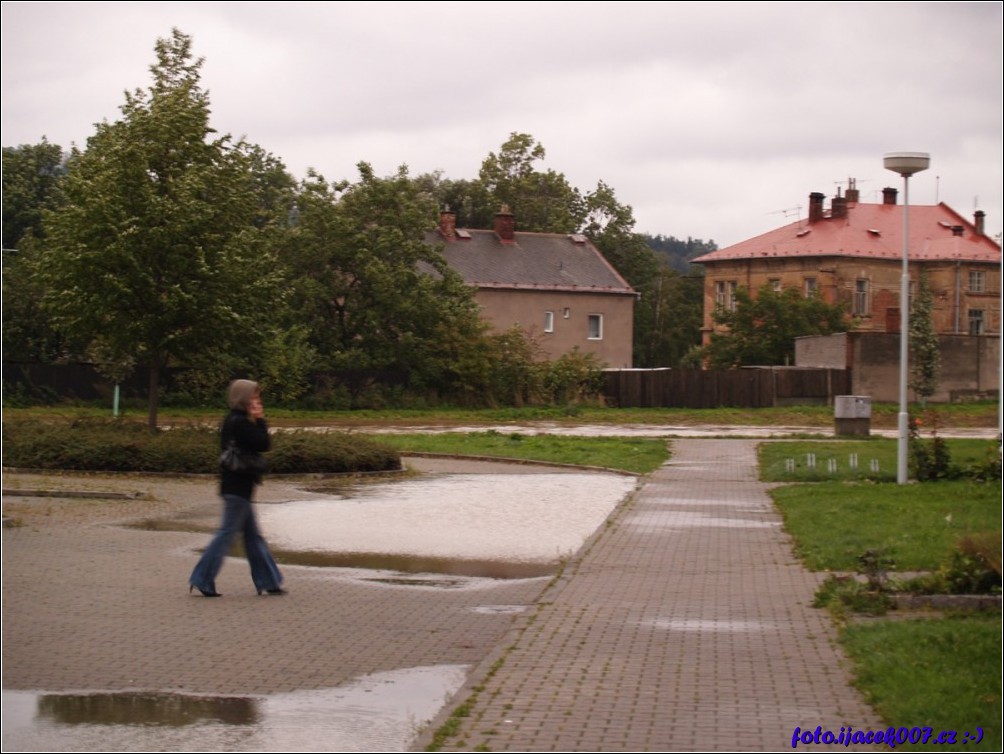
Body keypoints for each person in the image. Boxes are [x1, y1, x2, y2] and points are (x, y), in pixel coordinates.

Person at [189, 379, 285, 597]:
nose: (257, 401)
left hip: (236, 486)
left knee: (253, 537)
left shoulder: (231, 419)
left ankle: (269, 581)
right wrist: (260, 420)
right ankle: (202, 578)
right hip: (237, 488)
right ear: (243, 398)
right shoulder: (240, 422)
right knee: (226, 534)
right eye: (254, 397)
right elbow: (263, 443)